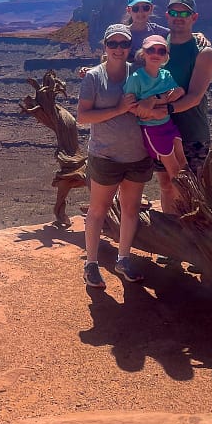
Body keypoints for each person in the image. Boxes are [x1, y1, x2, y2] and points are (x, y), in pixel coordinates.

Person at [76, 24, 153, 290]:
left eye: (124, 44)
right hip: (105, 156)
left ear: (130, 47)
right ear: (105, 46)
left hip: (137, 156)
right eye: (113, 44)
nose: (118, 49)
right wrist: (119, 109)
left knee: (130, 210)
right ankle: (91, 264)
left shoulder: (140, 74)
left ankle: (123, 259)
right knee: (98, 210)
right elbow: (83, 117)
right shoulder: (93, 78)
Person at [149, 0, 212, 214]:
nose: (179, 17)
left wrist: (164, 108)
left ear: (194, 17)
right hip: (162, 131)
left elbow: (194, 97)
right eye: (174, 12)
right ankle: (171, 234)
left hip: (191, 132)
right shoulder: (158, 45)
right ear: (167, 15)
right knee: (167, 186)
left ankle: (198, 234)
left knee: (192, 190)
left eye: (184, 13)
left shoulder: (203, 52)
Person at [124, 35, 187, 186]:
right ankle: (186, 198)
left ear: (165, 56)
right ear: (143, 53)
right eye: (151, 50)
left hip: (168, 124)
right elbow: (130, 106)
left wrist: (154, 100)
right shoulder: (136, 78)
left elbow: (174, 95)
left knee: (183, 163)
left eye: (161, 51)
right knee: (174, 170)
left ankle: (195, 195)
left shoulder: (166, 75)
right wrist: (153, 113)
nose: (155, 54)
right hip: (152, 129)